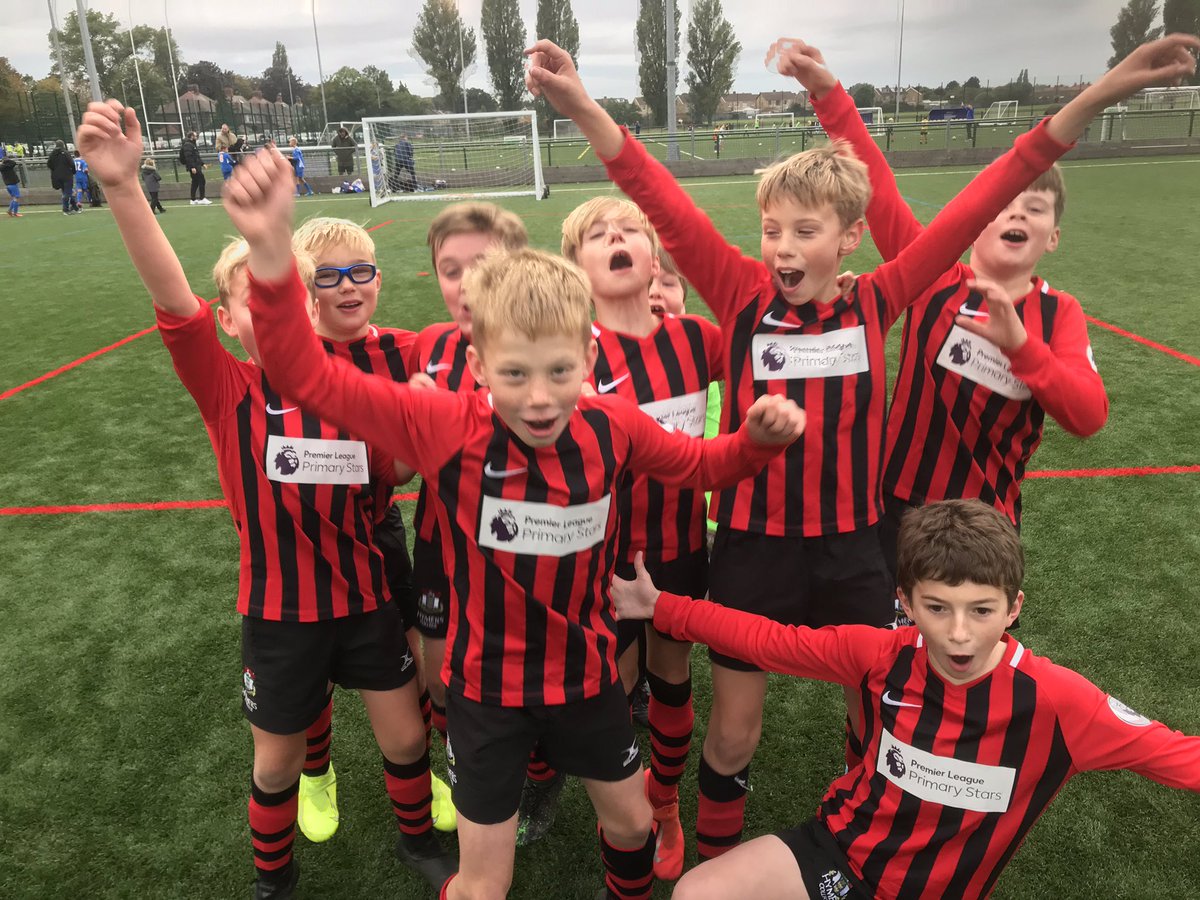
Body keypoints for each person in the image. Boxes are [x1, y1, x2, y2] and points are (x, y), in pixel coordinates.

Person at [523, 30, 1189, 868]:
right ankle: (704, 843)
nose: (783, 248)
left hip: (852, 550)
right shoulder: (736, 293)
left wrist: (1097, 96)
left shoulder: (884, 297)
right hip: (754, 547)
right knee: (733, 732)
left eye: (805, 230)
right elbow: (655, 193)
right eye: (772, 229)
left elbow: (995, 187)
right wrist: (582, 105)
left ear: (849, 240)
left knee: (880, 712)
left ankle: (873, 829)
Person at [225, 144, 807, 900]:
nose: (538, 397)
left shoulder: (614, 425)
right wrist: (271, 250)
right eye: (514, 374)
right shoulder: (444, 426)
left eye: (559, 371)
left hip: (588, 676)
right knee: (481, 883)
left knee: (630, 827)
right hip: (485, 693)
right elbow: (303, 372)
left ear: (590, 357)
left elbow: (701, 466)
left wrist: (755, 444)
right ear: (475, 364)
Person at [75, 100, 456, 899]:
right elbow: (172, 299)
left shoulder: (343, 385)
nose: (266, 306)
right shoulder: (228, 390)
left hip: (361, 599)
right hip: (278, 614)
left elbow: (396, 468)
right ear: (228, 319)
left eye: (275, 292)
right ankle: (272, 877)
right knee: (276, 760)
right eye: (247, 297)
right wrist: (120, 187)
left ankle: (418, 840)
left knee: (404, 733)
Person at [611, 498, 1200, 900]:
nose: (960, 633)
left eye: (982, 610)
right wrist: (660, 607)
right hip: (840, 851)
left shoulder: (1060, 702)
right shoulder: (881, 654)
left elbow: (1176, 756)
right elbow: (770, 640)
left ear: (1014, 607)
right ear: (906, 601)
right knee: (696, 892)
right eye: (937, 608)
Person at [786, 36, 1200, 574]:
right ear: (976, 217)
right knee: (890, 649)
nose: (1017, 216)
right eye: (1004, 203)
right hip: (895, 507)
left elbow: (1088, 415)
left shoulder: (1059, 314)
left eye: (1036, 208)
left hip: (986, 523)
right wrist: (827, 93)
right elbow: (878, 189)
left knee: (969, 647)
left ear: (1053, 237)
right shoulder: (933, 278)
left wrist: (1022, 347)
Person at [560, 197, 725, 881]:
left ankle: (664, 806)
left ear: (655, 258)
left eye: (629, 230)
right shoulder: (575, 353)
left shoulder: (696, 338)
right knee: (614, 686)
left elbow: (767, 353)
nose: (616, 238)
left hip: (681, 543)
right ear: (576, 269)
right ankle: (624, 812)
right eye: (597, 235)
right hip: (603, 560)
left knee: (673, 675)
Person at [288, 215, 458, 841]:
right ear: (306, 289)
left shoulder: (407, 348)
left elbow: (409, 467)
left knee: (406, 650)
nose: (348, 287)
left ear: (378, 279)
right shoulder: (287, 355)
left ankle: (422, 770)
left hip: (377, 527)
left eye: (360, 272)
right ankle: (316, 772)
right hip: (304, 537)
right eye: (328, 277)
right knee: (311, 665)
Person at [407, 202, 529, 842]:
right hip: (439, 541)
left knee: (528, 679)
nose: (462, 283)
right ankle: (453, 771)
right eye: (448, 270)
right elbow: (403, 467)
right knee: (442, 676)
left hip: (521, 551)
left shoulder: (548, 346)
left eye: (478, 265)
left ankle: (536, 777)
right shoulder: (428, 346)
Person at [47, 140, 79, 214]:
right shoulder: (65, 153)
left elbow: (49, 164)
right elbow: (71, 163)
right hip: (67, 175)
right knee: (67, 192)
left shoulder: (52, 154)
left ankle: (75, 207)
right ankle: (65, 209)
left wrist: (55, 170)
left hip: (57, 176)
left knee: (66, 191)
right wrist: (73, 171)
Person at [180, 131, 209, 205]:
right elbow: (188, 157)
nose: (196, 137)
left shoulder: (192, 144)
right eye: (195, 136)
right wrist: (192, 167)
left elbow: (196, 156)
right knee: (201, 180)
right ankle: (202, 198)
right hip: (194, 166)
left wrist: (203, 164)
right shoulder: (188, 145)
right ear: (192, 136)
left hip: (196, 165)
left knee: (195, 182)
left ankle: (193, 199)